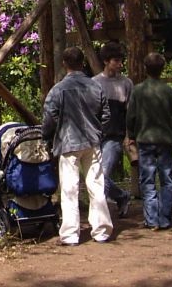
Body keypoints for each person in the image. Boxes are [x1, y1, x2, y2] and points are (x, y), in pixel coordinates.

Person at [42, 46, 113, 245]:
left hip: (68, 143)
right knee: (96, 186)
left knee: (69, 189)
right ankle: (102, 231)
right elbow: (106, 115)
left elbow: (49, 117)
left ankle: (71, 234)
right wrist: (98, 132)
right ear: (83, 63)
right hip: (92, 141)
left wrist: (47, 137)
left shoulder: (58, 90)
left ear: (65, 64)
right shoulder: (95, 86)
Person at [126, 51, 172, 230]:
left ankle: (151, 219)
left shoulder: (138, 90)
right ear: (162, 69)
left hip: (145, 139)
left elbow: (131, 116)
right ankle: (165, 217)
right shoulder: (168, 91)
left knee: (148, 179)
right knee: (167, 178)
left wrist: (131, 134)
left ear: (145, 68)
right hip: (165, 140)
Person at [93, 41, 134, 219]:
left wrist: (128, 135)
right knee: (96, 174)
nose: (119, 64)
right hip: (96, 135)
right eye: (116, 60)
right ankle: (121, 196)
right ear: (106, 61)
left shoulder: (126, 83)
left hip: (115, 136)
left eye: (120, 60)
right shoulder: (95, 83)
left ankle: (104, 210)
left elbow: (130, 112)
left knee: (102, 174)